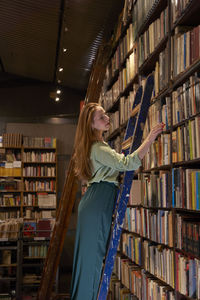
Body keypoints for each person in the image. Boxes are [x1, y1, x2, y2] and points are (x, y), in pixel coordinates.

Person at [70, 102, 164, 300]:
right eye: (101, 117)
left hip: (95, 199)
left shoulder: (97, 147)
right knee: (93, 259)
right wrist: (149, 138)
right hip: (98, 200)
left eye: (105, 114)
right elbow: (127, 164)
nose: (107, 119)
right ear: (91, 125)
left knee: (89, 259)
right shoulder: (98, 148)